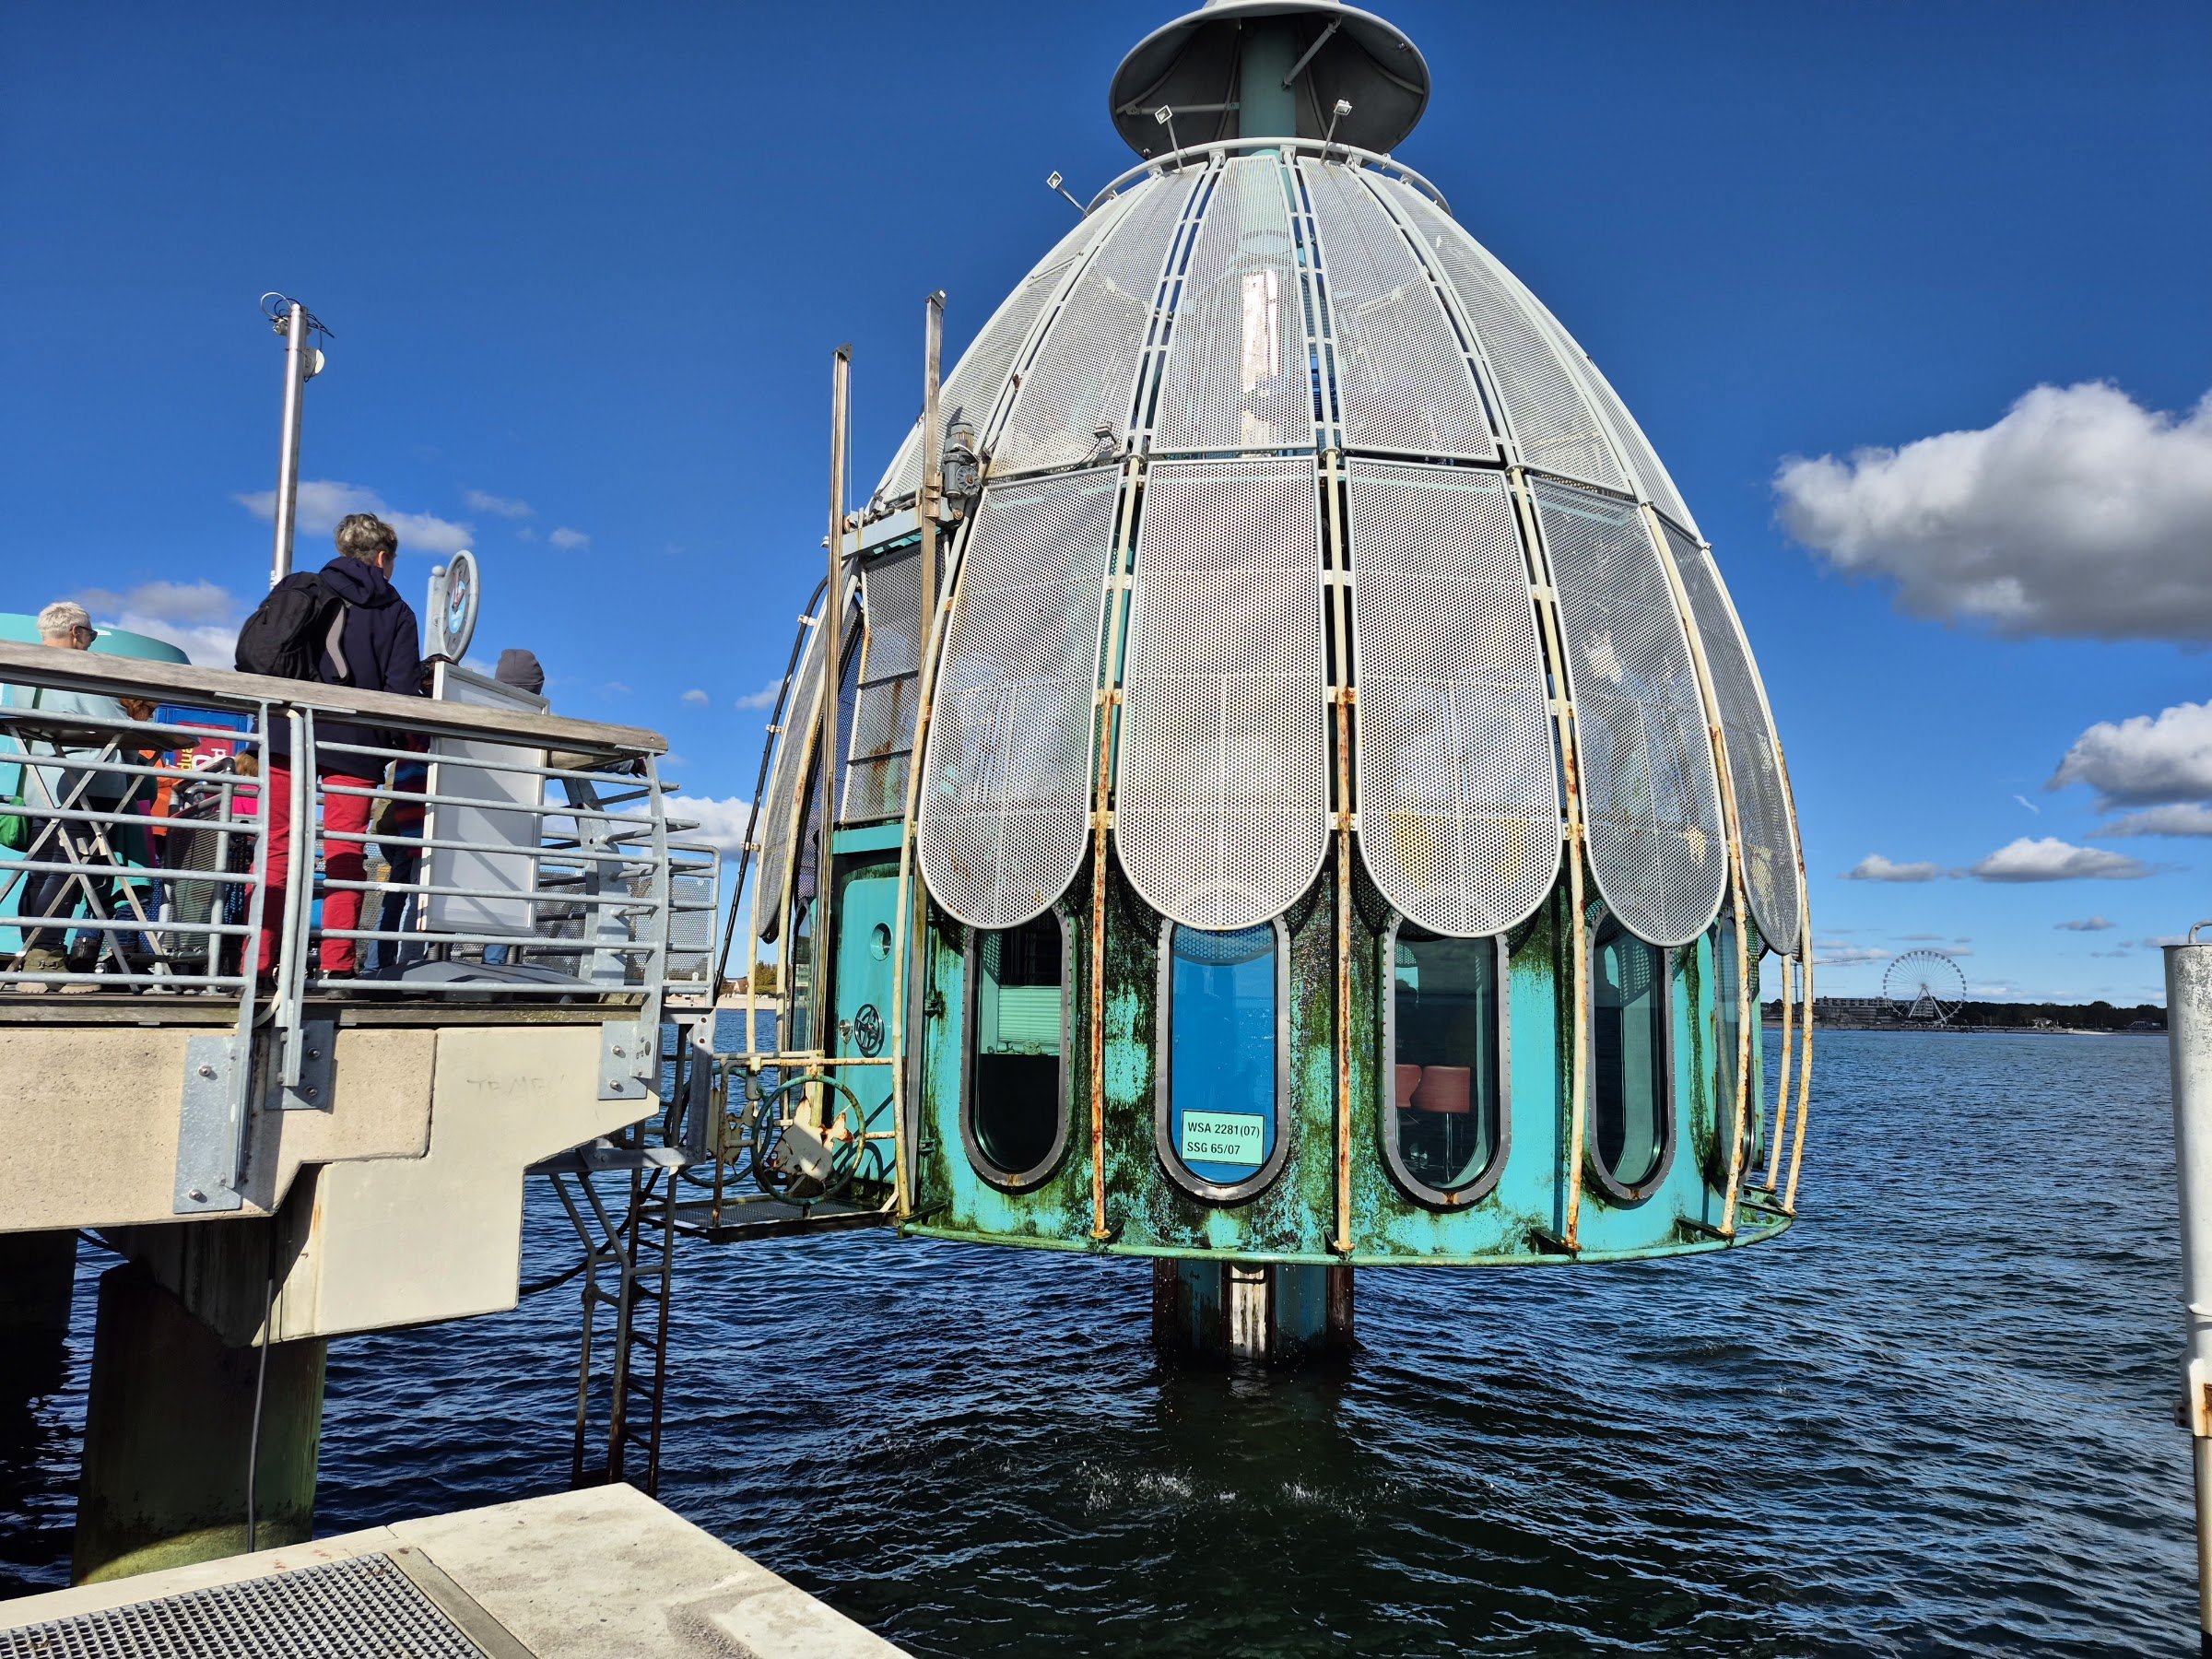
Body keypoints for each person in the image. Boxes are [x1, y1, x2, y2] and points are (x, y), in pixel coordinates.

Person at [254, 513, 424, 982]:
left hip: (289, 732)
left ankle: (259, 963)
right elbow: (402, 691)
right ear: (384, 557)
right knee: (346, 852)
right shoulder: (397, 611)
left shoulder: (301, 588)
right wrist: (383, 741)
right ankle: (336, 967)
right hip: (356, 743)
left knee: (278, 845)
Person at [6, 602, 155, 991]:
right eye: (88, 636)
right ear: (75, 633)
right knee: (70, 870)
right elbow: (114, 722)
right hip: (88, 783)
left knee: (43, 869)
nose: (88, 644)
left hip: (44, 784)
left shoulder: (24, 670)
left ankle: (35, 957)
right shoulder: (79, 667)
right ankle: (47, 958)